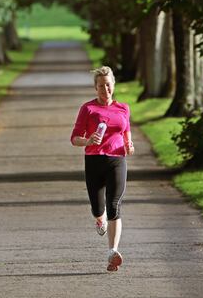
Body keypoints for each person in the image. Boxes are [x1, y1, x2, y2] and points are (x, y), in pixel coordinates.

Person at [70, 66, 134, 272]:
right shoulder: (88, 109)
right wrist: (88, 140)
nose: (105, 89)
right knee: (99, 209)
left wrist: (129, 144)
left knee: (114, 205)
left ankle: (112, 252)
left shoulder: (123, 108)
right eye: (100, 86)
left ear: (113, 85)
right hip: (94, 161)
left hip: (117, 160)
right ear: (95, 88)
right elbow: (74, 138)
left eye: (108, 85)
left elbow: (126, 132)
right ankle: (100, 218)